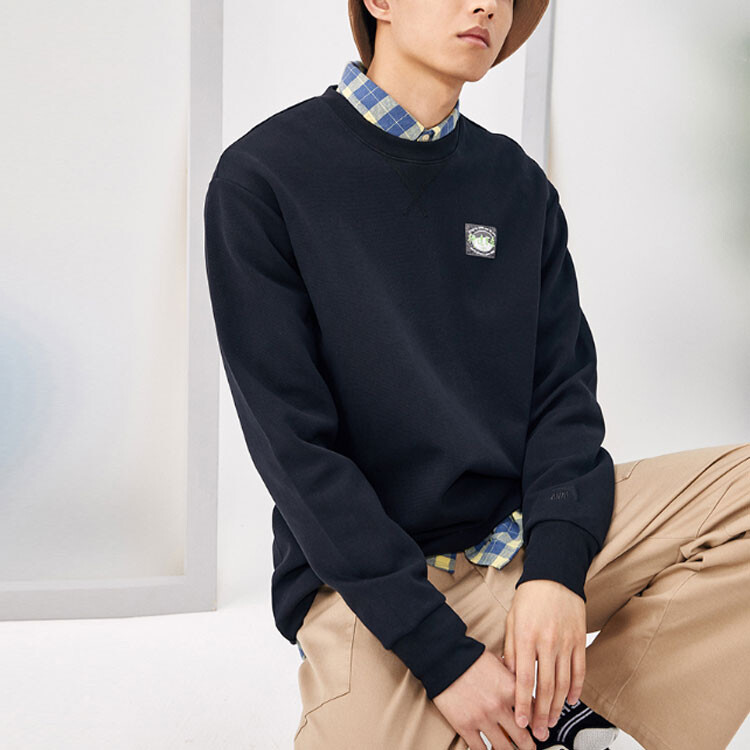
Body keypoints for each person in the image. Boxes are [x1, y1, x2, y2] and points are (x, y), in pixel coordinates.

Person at [203, 1, 750, 749]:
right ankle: (518, 707)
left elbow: (562, 399)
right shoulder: (265, 177)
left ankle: (587, 724)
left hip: (517, 543)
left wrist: (555, 571)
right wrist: (444, 659)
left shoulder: (515, 185)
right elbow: (295, 451)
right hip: (370, 589)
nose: (489, 5)